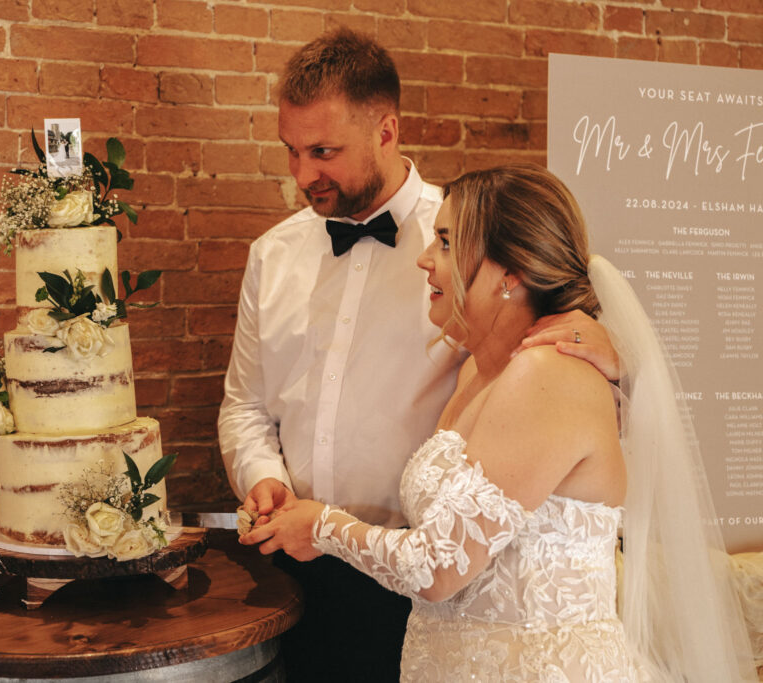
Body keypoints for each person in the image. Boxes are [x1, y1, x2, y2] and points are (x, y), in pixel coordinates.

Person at [240, 163, 757, 681]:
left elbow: (439, 567)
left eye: (445, 242)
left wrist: (323, 527)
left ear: (509, 274)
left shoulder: (548, 375)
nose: (424, 260)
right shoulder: (475, 372)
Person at [218, 27, 618, 681]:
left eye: (323, 151)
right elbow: (245, 404)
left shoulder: (470, 245)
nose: (301, 174)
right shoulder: (273, 254)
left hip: (421, 575)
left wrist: (610, 350)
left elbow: (557, 353)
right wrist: (264, 477)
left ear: (386, 129)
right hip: (293, 566)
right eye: (291, 151)